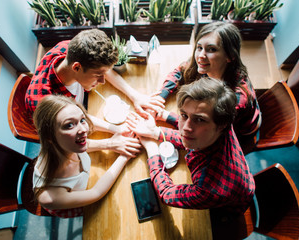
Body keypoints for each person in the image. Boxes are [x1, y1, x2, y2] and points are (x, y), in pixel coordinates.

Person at [25, 29, 162, 157]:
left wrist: (135, 96)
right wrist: (110, 143)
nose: (103, 80)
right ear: (77, 67)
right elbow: (65, 143)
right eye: (98, 75)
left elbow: (103, 69)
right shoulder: (46, 104)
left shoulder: (70, 49)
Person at [128, 77, 255, 214]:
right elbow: (192, 135)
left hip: (227, 210)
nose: (185, 128)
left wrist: (152, 149)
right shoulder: (221, 123)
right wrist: (157, 127)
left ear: (221, 125)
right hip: (241, 178)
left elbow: (166, 193)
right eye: (183, 115)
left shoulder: (209, 189)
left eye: (199, 120)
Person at [150, 22, 261, 152]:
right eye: (199, 47)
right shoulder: (207, 65)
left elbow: (202, 137)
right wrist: (161, 98)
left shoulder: (236, 99)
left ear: (230, 56)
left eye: (212, 49)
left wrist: (159, 126)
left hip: (239, 134)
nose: (201, 56)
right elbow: (179, 71)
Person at [32, 95, 134, 218]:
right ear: (50, 137)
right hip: (75, 203)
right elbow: (96, 192)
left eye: (82, 120)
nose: (83, 130)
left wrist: (117, 131)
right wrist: (124, 157)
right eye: (69, 125)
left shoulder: (67, 144)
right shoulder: (49, 197)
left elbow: (86, 123)